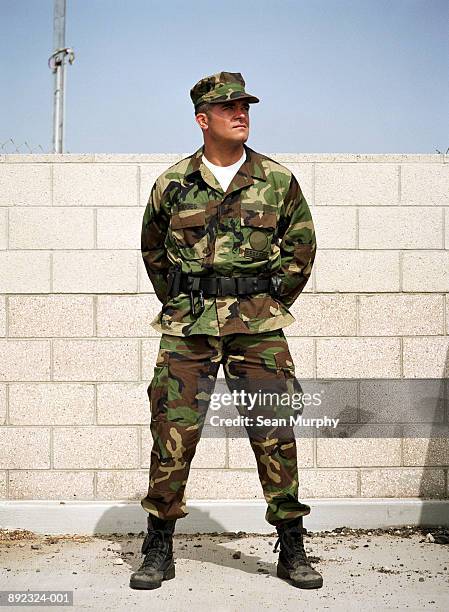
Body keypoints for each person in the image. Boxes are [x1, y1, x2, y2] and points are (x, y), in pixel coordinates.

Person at [129, 71, 322, 591]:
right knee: (172, 431)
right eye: (228, 107)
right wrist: (179, 300)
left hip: (257, 326)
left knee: (275, 432)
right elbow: (152, 250)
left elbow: (301, 247)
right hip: (189, 325)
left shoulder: (277, 181)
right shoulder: (172, 183)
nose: (241, 114)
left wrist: (268, 301)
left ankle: (292, 542)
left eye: (245, 106)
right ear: (202, 119)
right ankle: (158, 543)